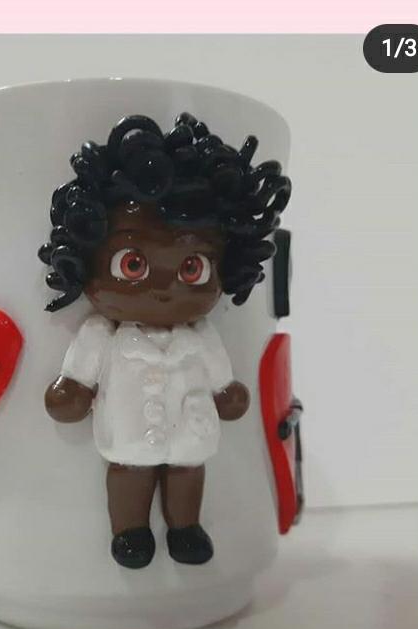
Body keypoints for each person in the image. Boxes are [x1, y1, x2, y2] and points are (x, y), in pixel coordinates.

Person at [38, 113, 291, 569]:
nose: (164, 288)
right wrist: (72, 390)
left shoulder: (200, 333)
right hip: (128, 430)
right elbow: (79, 376)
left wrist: (226, 392)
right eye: (133, 264)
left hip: (189, 424)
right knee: (129, 472)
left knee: (187, 469)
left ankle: (185, 527)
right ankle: (130, 531)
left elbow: (220, 377)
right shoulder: (102, 333)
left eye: (191, 268)